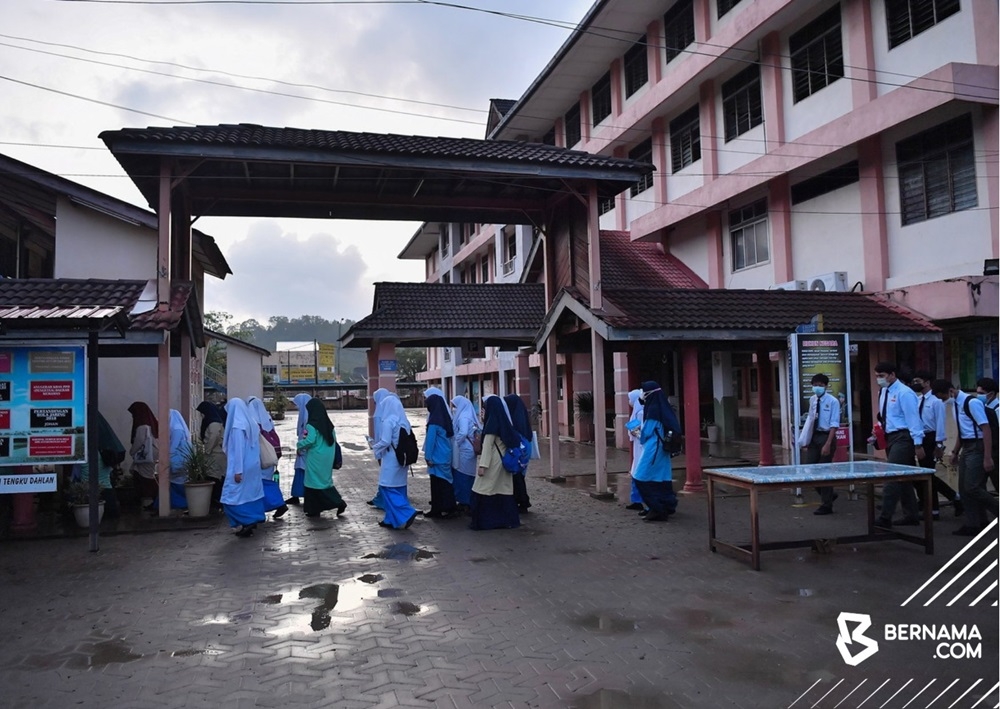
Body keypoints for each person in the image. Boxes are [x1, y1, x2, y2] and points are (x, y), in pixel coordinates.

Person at [931, 379, 997, 536]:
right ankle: (975, 523)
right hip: (967, 447)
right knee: (964, 489)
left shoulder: (971, 403)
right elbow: (962, 430)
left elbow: (985, 429)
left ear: (950, 391)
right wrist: (955, 451)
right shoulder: (955, 405)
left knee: (973, 487)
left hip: (977, 446)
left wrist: (987, 457)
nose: (942, 401)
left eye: (942, 397)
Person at [873, 362, 925, 528]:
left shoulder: (905, 393)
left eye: (882, 376)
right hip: (890, 436)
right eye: (877, 376)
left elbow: (913, 419)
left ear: (892, 375)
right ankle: (911, 514)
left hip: (903, 437)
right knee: (903, 477)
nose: (879, 379)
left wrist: (918, 443)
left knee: (892, 476)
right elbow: (885, 416)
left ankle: (885, 517)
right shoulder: (884, 391)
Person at [910, 372, 960, 519]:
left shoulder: (936, 400)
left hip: (931, 438)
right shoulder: (919, 400)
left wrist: (939, 444)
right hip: (920, 437)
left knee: (928, 475)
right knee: (925, 475)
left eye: (918, 380)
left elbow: (940, 422)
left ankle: (935, 509)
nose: (915, 383)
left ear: (926, 383)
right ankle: (954, 498)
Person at [469, 395, 520, 530]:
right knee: (503, 491)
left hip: (492, 463)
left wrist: (482, 466)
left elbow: (487, 447)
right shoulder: (506, 423)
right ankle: (507, 520)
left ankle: (485, 522)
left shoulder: (492, 423)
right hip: (504, 463)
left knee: (482, 489)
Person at [632, 381, 681, 522]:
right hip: (663, 449)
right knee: (662, 479)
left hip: (653, 449)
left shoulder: (653, 410)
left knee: (640, 477)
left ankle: (657, 509)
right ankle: (667, 505)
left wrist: (637, 433)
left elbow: (647, 432)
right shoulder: (663, 408)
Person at [371, 390, 419, 529]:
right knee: (399, 487)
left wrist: (375, 447)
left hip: (391, 458)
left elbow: (385, 441)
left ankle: (407, 512)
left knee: (387, 487)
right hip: (402, 459)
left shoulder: (388, 421)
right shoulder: (404, 421)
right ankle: (390, 519)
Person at [220, 397, 266, 537]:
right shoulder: (250, 423)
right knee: (249, 494)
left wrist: (238, 471)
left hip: (240, 467)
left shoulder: (237, 426)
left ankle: (247, 520)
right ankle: (250, 522)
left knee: (229, 498)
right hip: (253, 466)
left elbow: (238, 450)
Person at [296, 398, 347, 518]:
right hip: (327, 456)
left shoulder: (311, 425)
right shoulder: (329, 425)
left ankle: (336, 503)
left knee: (313, 481)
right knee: (324, 480)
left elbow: (310, 440)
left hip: (315, 457)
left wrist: (299, 446)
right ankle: (315, 509)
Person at [801, 374, 840, 516]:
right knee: (809, 469)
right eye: (815, 384)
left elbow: (834, 424)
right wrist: (806, 439)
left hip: (826, 436)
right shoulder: (812, 400)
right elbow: (811, 420)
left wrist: (828, 444)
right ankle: (829, 494)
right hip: (814, 436)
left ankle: (826, 504)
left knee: (824, 471)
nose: (817, 387)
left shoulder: (833, 401)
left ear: (826, 386)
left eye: (820, 385)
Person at [247, 396, 288, 520]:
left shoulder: (252, 422)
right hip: (270, 456)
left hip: (260, 458)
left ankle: (278, 504)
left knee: (261, 484)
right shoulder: (267, 419)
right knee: (268, 481)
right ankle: (272, 505)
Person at [423, 387, 457, 518]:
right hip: (446, 456)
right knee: (446, 482)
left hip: (436, 458)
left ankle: (437, 509)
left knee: (437, 485)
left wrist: (428, 457)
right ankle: (448, 507)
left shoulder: (433, 422)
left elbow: (430, 442)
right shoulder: (445, 419)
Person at [504, 394, 533, 512]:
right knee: (520, 476)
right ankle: (522, 501)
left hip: (518, 451)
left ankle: (521, 500)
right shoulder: (522, 418)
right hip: (525, 449)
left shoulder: (512, 419)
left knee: (516, 477)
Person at [450, 395, 479, 512]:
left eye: (455, 406)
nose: (454, 408)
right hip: (470, 450)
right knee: (469, 475)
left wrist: (455, 442)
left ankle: (464, 502)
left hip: (464, 450)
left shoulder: (463, 417)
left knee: (462, 475)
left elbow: (463, 432)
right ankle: (467, 500)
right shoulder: (470, 415)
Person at [196, 400, 227, 511]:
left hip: (215, 454)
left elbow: (214, 437)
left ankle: (217, 501)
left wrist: (207, 450)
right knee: (214, 476)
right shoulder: (212, 421)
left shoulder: (213, 423)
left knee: (215, 477)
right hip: (215, 453)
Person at [127, 401, 158, 505]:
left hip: (145, 455)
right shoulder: (150, 422)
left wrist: (132, 452)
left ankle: (156, 499)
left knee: (146, 477)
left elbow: (139, 441)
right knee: (141, 473)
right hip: (152, 453)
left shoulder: (142, 425)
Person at [285, 393, 312, 506]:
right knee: (299, 471)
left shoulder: (307, 417)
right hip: (302, 449)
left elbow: (307, 435)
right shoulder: (304, 415)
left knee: (304, 472)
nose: (296, 407)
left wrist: (302, 448)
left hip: (306, 450)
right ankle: (296, 495)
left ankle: (304, 495)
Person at [165, 409, 191, 511]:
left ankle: (180, 503)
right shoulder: (178, 428)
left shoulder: (176, 429)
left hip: (177, 460)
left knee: (176, 483)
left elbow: (173, 447)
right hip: (181, 459)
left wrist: (166, 456)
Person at [975, 377, 998, 490]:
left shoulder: (997, 410)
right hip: (985, 452)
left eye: (981, 393)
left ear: (991, 394)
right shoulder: (982, 408)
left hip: (996, 452)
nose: (978, 396)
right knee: (977, 486)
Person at [624, 388, 646, 512]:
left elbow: (643, 432)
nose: (629, 401)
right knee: (635, 472)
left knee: (639, 472)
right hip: (638, 448)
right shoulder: (637, 411)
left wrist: (634, 431)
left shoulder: (640, 412)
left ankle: (639, 500)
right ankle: (636, 500)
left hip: (641, 447)